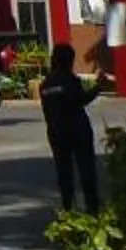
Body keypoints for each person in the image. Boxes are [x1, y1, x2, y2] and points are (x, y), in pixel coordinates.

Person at [38, 43, 106, 211]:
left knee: (64, 171)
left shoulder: (45, 85)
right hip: (78, 130)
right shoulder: (69, 80)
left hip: (56, 132)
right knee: (86, 169)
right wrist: (99, 87)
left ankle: (68, 206)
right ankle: (92, 206)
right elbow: (80, 100)